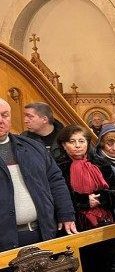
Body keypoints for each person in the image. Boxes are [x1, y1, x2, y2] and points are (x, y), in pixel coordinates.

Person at [0, 99, 76, 250]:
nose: (0, 121)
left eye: (5, 115)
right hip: (4, 241)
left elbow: (55, 181)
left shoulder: (33, 146)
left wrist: (66, 214)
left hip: (42, 232)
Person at [56, 125, 115, 231]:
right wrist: (85, 201)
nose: (77, 145)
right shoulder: (58, 167)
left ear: (87, 143)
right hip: (74, 223)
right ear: (64, 145)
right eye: (72, 142)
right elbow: (58, 196)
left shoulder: (100, 163)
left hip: (107, 219)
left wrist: (100, 198)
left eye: (81, 141)